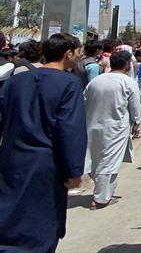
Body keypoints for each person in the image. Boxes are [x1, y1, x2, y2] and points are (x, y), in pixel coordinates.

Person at [0, 33, 86, 253]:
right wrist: (74, 171)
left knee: (9, 214)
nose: (78, 57)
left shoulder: (15, 80)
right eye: (77, 53)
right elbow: (69, 130)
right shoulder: (69, 84)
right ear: (68, 53)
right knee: (40, 221)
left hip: (11, 160)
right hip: (46, 165)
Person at [84, 50, 141, 209]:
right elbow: (135, 106)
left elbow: (84, 101)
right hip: (115, 128)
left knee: (95, 159)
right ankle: (101, 198)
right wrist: (137, 124)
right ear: (126, 65)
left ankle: (100, 189)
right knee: (109, 162)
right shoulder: (128, 82)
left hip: (92, 125)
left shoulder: (96, 81)